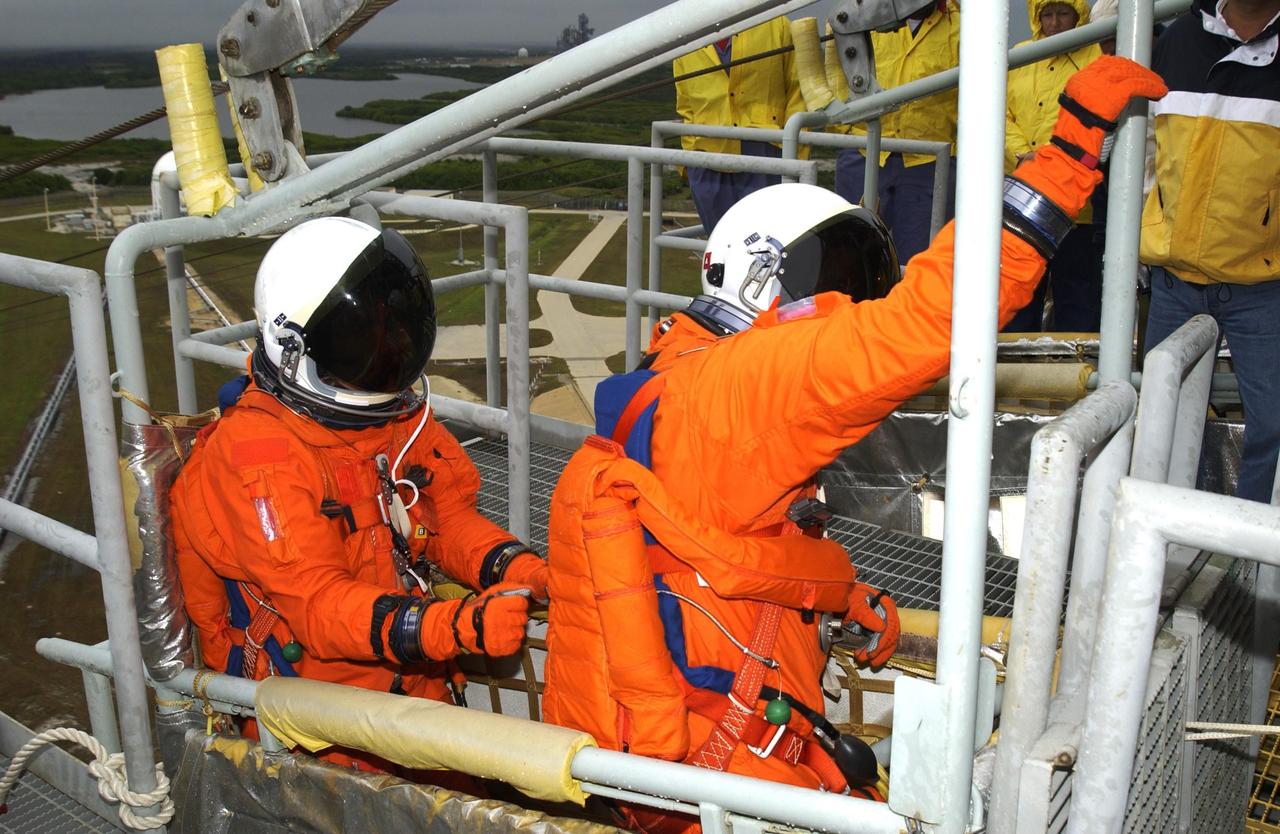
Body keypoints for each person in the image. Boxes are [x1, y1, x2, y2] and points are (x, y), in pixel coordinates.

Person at [542, 57, 1166, 832]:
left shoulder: (685, 375)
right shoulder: (745, 385)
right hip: (721, 766)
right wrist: (1067, 156)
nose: (843, 305)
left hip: (694, 736)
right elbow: (928, 321)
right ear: (763, 280)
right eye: (831, 279)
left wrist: (839, 597)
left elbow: (726, 551)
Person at [171, 218, 549, 769]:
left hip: (408, 678)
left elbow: (445, 520)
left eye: (390, 334)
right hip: (316, 721)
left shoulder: (394, 417)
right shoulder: (256, 454)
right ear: (295, 348)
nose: (383, 356)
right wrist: (453, 627)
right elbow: (318, 605)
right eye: (359, 342)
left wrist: (522, 570)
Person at [1140, 0, 1280, 503]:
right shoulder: (1178, 38)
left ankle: (1254, 561)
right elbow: (1147, 149)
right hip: (1175, 281)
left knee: (1275, 430)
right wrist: (1147, 228)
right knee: (1162, 429)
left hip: (1264, 286)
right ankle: (1170, 548)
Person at [833, 0, 961, 263]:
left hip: (928, 163)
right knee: (847, 256)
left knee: (917, 264)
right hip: (864, 152)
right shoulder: (864, 18)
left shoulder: (963, 29)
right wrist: (844, 131)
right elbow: (838, 72)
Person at [1004, 0, 1105, 332]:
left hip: (1075, 201)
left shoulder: (1096, 56)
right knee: (1019, 291)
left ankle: (1075, 371)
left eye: (1063, 14)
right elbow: (998, 112)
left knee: (1077, 291)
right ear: (1036, 17)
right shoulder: (1018, 55)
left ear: (1079, 16)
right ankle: (1014, 372)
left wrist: (1055, 159)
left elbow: (1100, 120)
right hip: (1021, 195)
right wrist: (1021, 153)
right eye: (1047, 14)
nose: (1055, 23)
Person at [673, 17, 807, 233]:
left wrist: (794, 157)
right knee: (721, 249)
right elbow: (685, 104)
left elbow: (797, 92)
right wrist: (691, 163)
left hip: (767, 152)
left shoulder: (776, 23)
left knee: (767, 248)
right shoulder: (687, 32)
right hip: (706, 158)